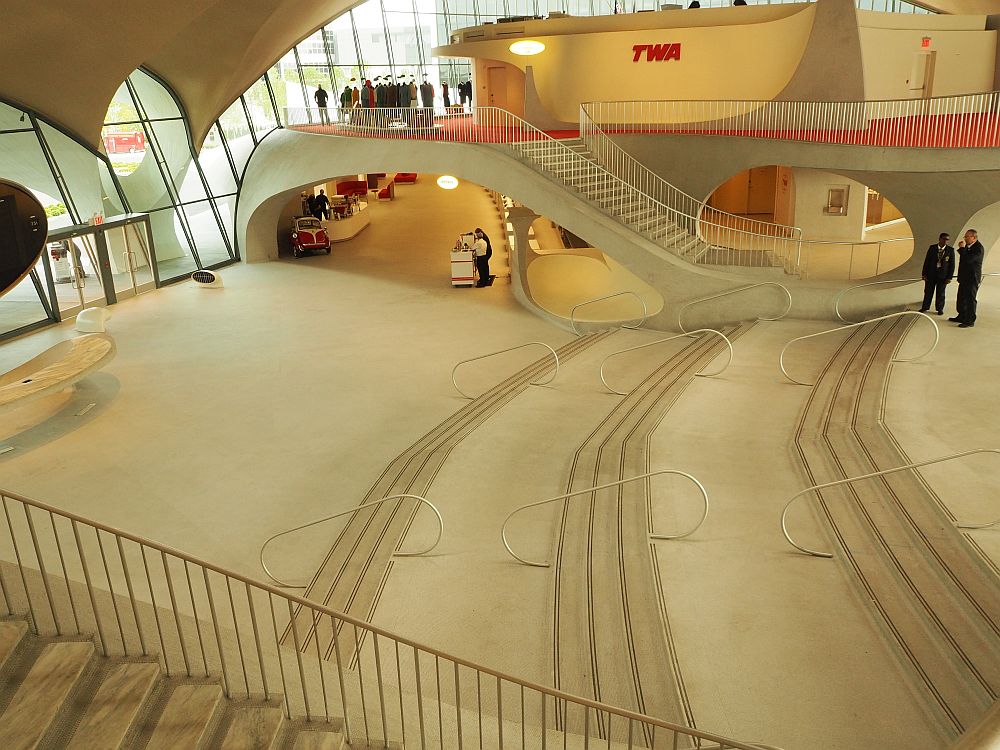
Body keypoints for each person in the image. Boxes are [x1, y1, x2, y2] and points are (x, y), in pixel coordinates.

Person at [950, 228, 985, 327]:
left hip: (972, 278)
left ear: (974, 238)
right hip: (964, 277)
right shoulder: (968, 246)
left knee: (970, 299)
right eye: (965, 236)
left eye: (967, 236)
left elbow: (969, 259)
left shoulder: (978, 248)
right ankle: (962, 316)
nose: (965, 238)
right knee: (961, 298)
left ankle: (970, 320)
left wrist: (961, 248)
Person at [919, 232, 955, 316]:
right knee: (928, 291)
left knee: (941, 293)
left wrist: (949, 277)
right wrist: (924, 274)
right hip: (931, 274)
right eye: (944, 239)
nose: (945, 241)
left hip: (943, 275)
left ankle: (940, 308)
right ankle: (925, 307)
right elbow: (927, 261)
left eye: (947, 240)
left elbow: (952, 265)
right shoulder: (932, 248)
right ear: (939, 239)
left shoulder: (950, 250)